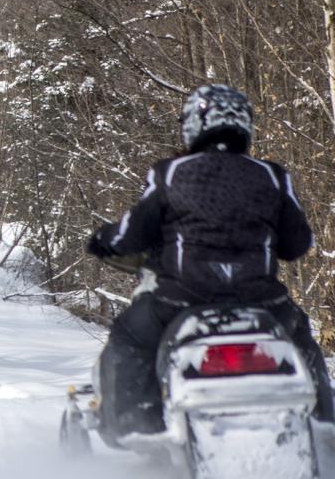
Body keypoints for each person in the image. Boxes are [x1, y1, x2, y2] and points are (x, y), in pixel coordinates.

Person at [86, 84, 334, 439]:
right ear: (244, 125)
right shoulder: (273, 176)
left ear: (193, 124)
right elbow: (298, 244)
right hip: (261, 301)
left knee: (128, 337)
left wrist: (102, 240)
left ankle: (134, 430)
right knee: (299, 335)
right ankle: (324, 423)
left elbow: (131, 233)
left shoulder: (170, 172)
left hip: (182, 300)